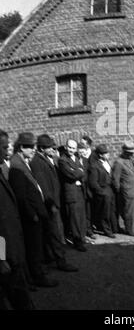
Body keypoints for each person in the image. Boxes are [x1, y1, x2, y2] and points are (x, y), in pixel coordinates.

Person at [9, 132, 58, 288]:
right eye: (29, 147)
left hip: (37, 212)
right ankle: (38, 277)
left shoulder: (23, 161)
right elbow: (21, 195)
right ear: (20, 147)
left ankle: (37, 274)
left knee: (37, 245)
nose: (32, 150)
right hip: (32, 216)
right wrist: (32, 214)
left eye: (33, 146)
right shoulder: (16, 164)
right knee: (34, 248)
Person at [30, 134, 78, 272]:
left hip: (54, 202)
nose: (52, 149)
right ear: (41, 148)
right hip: (50, 204)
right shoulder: (37, 162)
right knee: (55, 233)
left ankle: (51, 258)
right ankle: (60, 261)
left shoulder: (46, 158)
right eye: (49, 147)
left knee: (53, 232)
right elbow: (44, 186)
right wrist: (51, 205)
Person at [0, 129, 34, 310]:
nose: (7, 151)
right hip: (6, 255)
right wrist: (0, 258)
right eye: (4, 147)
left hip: (12, 249)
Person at [59, 139, 87, 252]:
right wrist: (78, 172)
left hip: (79, 191)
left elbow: (83, 172)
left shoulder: (76, 158)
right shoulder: (62, 160)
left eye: (73, 148)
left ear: (76, 149)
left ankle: (82, 237)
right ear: (66, 147)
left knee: (81, 216)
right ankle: (77, 242)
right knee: (74, 218)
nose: (71, 150)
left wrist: (78, 172)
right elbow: (70, 175)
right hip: (71, 193)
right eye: (69, 147)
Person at [88, 144, 118, 238]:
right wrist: (102, 193)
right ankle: (106, 230)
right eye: (106, 153)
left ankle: (115, 228)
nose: (108, 155)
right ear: (100, 155)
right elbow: (93, 183)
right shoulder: (94, 166)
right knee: (105, 212)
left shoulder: (107, 162)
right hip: (103, 191)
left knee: (113, 210)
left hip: (110, 190)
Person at [112, 141, 134, 237]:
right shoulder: (119, 163)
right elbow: (116, 179)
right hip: (127, 191)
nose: (133, 154)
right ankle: (130, 229)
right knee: (128, 211)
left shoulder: (130, 160)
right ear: (125, 152)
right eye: (131, 152)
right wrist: (120, 191)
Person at [77, 142, 96, 240]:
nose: (83, 154)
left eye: (84, 153)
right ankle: (82, 231)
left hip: (87, 190)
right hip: (78, 191)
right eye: (81, 152)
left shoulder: (86, 161)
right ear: (78, 151)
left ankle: (89, 230)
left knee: (88, 212)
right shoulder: (74, 160)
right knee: (81, 212)